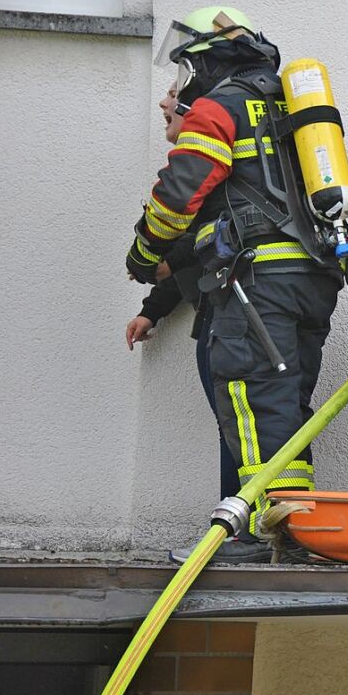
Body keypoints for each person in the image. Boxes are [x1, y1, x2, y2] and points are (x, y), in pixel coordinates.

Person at [128, 7, 345, 562]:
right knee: (282, 409)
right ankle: (293, 531)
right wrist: (160, 300)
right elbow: (230, 215)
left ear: (205, 61)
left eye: (184, 70)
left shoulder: (218, 106)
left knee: (254, 404)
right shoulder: (284, 103)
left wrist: (143, 252)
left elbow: (179, 195)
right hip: (311, 280)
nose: (178, 88)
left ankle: (255, 536)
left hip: (259, 286)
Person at [125, 81, 239, 505]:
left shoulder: (213, 167)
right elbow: (198, 244)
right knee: (245, 421)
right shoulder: (223, 164)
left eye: (173, 92)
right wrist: (152, 311)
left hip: (232, 311)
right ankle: (250, 528)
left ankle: (237, 530)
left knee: (238, 422)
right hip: (228, 305)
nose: (163, 101)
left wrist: (159, 262)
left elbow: (206, 239)